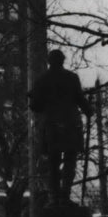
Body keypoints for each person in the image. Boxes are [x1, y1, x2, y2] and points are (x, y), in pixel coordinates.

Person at [28, 49, 93, 206]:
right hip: (71, 124)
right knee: (70, 161)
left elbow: (35, 107)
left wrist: (33, 96)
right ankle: (65, 195)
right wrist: (89, 110)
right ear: (62, 60)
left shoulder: (42, 80)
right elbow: (79, 98)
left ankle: (55, 198)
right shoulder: (71, 77)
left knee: (53, 162)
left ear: (49, 61)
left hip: (52, 126)